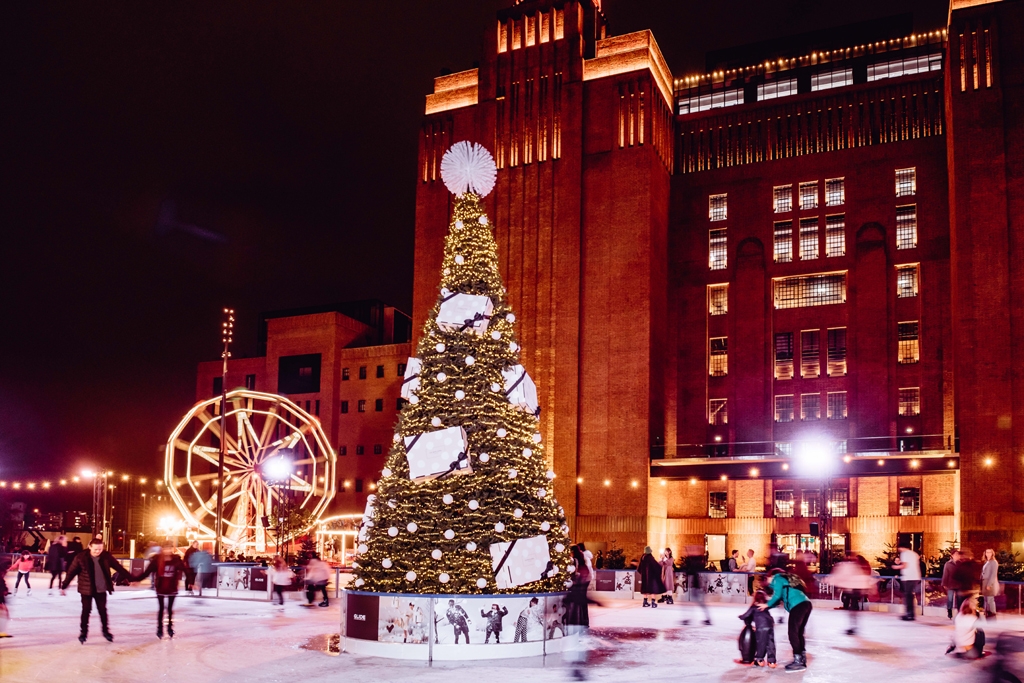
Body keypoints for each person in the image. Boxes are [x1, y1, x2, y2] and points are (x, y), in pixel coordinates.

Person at [62, 537, 136, 643]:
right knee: (86, 610)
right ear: (90, 547)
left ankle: (106, 631)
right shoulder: (81, 557)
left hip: (101, 589)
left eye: (100, 549)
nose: (98, 552)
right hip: (86, 589)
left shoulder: (106, 556)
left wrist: (131, 578)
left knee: (103, 611)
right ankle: (83, 633)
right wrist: (64, 586)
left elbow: (118, 568)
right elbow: (71, 572)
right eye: (95, 549)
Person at [762, 567, 812, 671]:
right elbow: (778, 600)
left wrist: (766, 605)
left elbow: (776, 596)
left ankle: (798, 660)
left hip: (797, 606)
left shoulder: (777, 578)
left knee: (792, 633)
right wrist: (767, 606)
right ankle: (801, 659)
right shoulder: (786, 580)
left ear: (770, 576)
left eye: (767, 578)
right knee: (798, 633)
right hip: (806, 604)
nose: (768, 581)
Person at [135, 541, 187, 638]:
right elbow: (147, 572)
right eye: (166, 548)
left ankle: (170, 628)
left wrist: (192, 582)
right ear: (163, 549)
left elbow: (185, 570)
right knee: (161, 608)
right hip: (161, 587)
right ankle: (159, 628)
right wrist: (137, 580)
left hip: (172, 587)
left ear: (172, 549)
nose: (167, 551)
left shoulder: (176, 559)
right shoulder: (157, 560)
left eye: (169, 548)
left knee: (170, 609)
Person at [564, 545, 591, 680]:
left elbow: (568, 600)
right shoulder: (581, 565)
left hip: (573, 622)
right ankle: (576, 668)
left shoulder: (579, 565)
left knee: (576, 645)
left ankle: (576, 668)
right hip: (576, 623)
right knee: (577, 645)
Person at [830, 553, 871, 635]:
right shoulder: (854, 566)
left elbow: (842, 576)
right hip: (854, 588)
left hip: (854, 588)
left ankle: (853, 625)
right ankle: (854, 625)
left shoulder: (849, 566)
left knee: (853, 607)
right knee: (853, 606)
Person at [738, 590, 776, 668]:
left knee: (761, 643)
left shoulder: (754, 607)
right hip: (770, 625)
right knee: (770, 643)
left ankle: (759, 659)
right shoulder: (765, 606)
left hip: (761, 627)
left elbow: (746, 615)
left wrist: (740, 616)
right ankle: (771, 661)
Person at [682, 545, 711, 625]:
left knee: (697, 603)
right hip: (695, 586)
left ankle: (707, 619)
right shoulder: (696, 562)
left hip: (696, 586)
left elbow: (691, 571)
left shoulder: (695, 562)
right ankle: (707, 618)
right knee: (691, 603)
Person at [893, 544, 921, 621]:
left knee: (908, 595)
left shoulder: (904, 554)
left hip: (909, 577)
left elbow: (905, 565)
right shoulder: (914, 553)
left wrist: (896, 567)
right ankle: (911, 614)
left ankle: (909, 614)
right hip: (915, 576)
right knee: (909, 595)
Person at [941, 550, 961, 619]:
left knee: (959, 599)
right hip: (951, 584)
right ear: (952, 555)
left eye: (958, 554)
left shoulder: (960, 563)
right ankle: (949, 611)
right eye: (955, 554)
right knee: (950, 599)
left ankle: (960, 612)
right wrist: (944, 583)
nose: (957, 556)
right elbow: (945, 574)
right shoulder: (948, 564)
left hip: (959, 585)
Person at [981, 548, 999, 618]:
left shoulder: (994, 562)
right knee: (986, 599)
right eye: (987, 552)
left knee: (990, 599)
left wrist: (989, 584)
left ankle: (992, 614)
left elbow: (993, 574)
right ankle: (988, 613)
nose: (988, 554)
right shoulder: (986, 562)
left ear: (992, 553)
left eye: (989, 552)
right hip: (984, 582)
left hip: (989, 582)